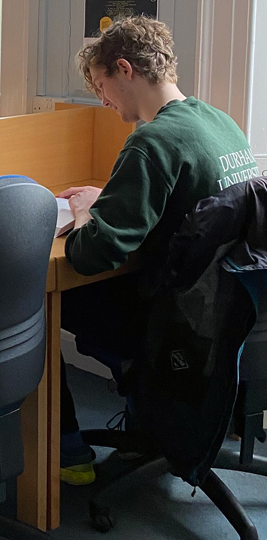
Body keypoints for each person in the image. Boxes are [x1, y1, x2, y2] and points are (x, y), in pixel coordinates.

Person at [55, 16, 260, 486]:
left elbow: (92, 254)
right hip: (232, 311)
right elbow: (193, 203)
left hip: (177, 326)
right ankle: (152, 422)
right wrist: (110, 195)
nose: (103, 101)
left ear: (125, 69)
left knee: (36, 307)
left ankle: (65, 450)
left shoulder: (149, 143)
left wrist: (88, 211)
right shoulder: (217, 120)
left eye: (103, 87)